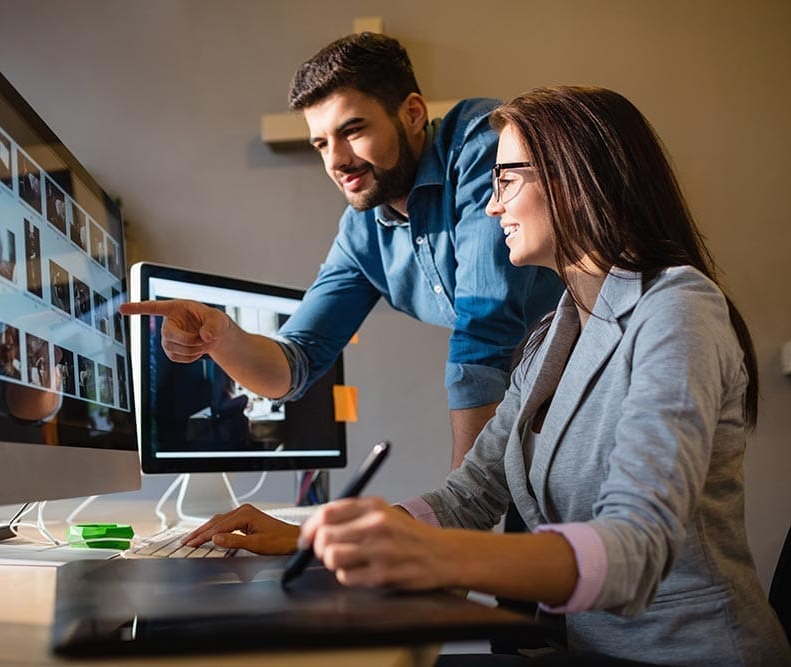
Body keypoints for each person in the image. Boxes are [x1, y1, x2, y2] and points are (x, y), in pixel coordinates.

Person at [183, 86, 791, 665]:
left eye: (506, 179)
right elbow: (470, 495)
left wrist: (434, 557)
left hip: (686, 658)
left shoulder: (677, 309)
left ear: (575, 179)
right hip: (584, 650)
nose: (492, 203)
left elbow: (636, 552)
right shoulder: (553, 336)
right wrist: (314, 535)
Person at [121, 33, 563, 468]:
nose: (336, 160)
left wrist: (463, 510)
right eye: (321, 143)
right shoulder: (361, 233)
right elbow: (295, 363)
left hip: (602, 373)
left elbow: (485, 330)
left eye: (352, 131)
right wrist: (223, 337)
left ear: (412, 113)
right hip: (533, 407)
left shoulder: (482, 141)